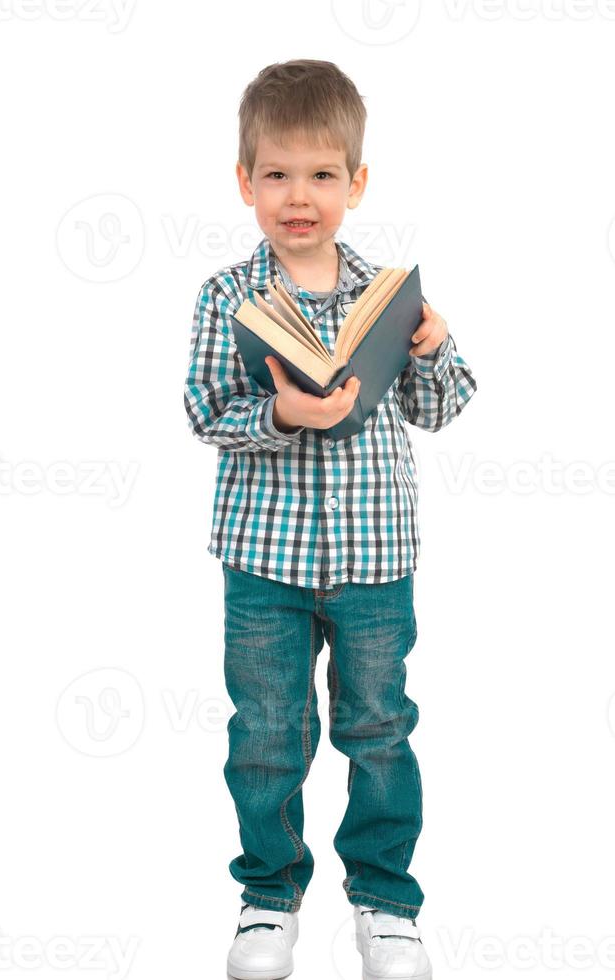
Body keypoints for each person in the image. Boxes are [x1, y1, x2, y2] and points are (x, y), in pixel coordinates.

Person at [184, 58, 477, 980]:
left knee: (379, 728)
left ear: (356, 182)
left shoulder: (391, 297)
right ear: (245, 183)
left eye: (320, 175)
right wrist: (279, 415)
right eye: (276, 174)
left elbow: (442, 407)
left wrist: (434, 343)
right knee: (266, 733)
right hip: (261, 563)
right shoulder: (228, 297)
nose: (297, 196)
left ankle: (386, 901)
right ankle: (269, 895)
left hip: (374, 560)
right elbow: (203, 411)